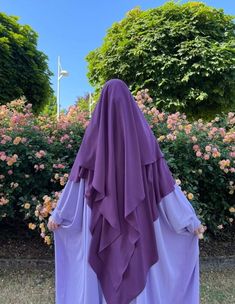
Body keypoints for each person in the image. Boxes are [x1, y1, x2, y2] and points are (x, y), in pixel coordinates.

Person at [48, 78, 206, 304]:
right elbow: (167, 191)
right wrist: (189, 221)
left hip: (100, 224)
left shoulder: (92, 142)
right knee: (136, 263)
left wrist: (59, 214)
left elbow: (76, 185)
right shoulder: (146, 143)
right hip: (138, 224)